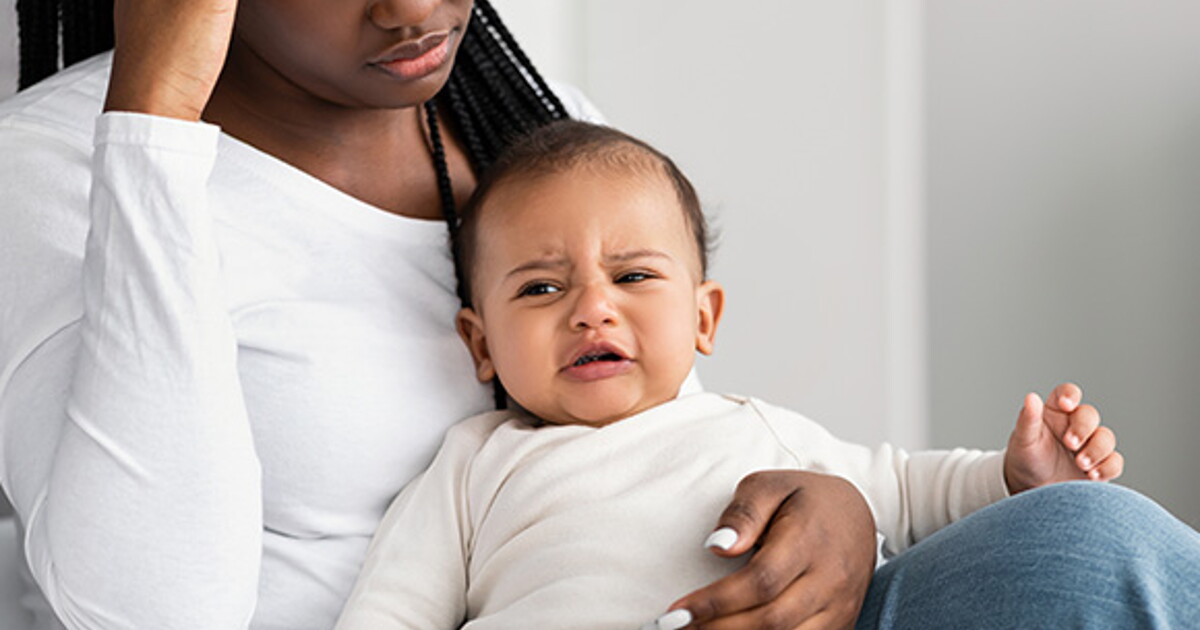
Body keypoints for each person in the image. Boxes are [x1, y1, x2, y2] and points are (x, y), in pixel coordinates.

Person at [0, 1, 885, 629]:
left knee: (1029, 535)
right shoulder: (49, 170)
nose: (415, 9)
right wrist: (154, 131)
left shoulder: (531, 121)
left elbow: (657, 437)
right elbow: (152, 615)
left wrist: (842, 516)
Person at [334, 120, 1199, 629]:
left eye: (634, 277)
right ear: (479, 344)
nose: (592, 310)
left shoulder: (754, 435)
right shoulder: (476, 464)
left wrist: (1015, 480)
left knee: (1098, 523)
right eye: (542, 287)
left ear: (704, 317)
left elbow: (903, 488)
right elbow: (392, 611)